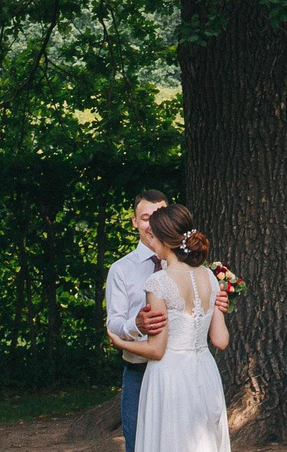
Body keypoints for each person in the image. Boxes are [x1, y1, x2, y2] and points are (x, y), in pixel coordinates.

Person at [101, 189, 230, 450]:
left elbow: (157, 350)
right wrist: (132, 327)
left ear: (164, 237)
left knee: (166, 440)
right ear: (135, 221)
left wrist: (119, 342)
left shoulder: (158, 282)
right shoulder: (210, 277)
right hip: (203, 371)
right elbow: (221, 340)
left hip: (168, 375)